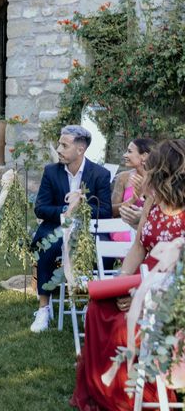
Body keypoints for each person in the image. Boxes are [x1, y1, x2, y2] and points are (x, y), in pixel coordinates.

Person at [70, 139, 185, 410]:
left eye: (151, 167)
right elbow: (138, 246)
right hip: (141, 278)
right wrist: (122, 282)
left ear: (165, 173)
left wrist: (140, 295)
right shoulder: (152, 204)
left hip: (171, 291)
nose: (146, 172)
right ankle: (102, 391)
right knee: (98, 308)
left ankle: (133, 398)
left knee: (124, 328)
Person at [30, 125, 112, 333]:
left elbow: (105, 211)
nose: (58, 149)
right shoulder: (51, 172)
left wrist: (81, 208)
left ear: (80, 149)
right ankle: (44, 308)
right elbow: (40, 208)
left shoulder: (100, 174)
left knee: (102, 250)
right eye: (59, 143)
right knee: (45, 247)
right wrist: (67, 210)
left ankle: (89, 305)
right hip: (57, 227)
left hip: (87, 230)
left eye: (64, 145)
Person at [110, 138, 155, 240]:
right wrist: (133, 199)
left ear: (144, 156)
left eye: (129, 152)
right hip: (123, 227)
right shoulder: (123, 177)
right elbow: (111, 211)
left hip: (149, 227)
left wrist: (147, 195)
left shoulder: (158, 180)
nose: (124, 155)